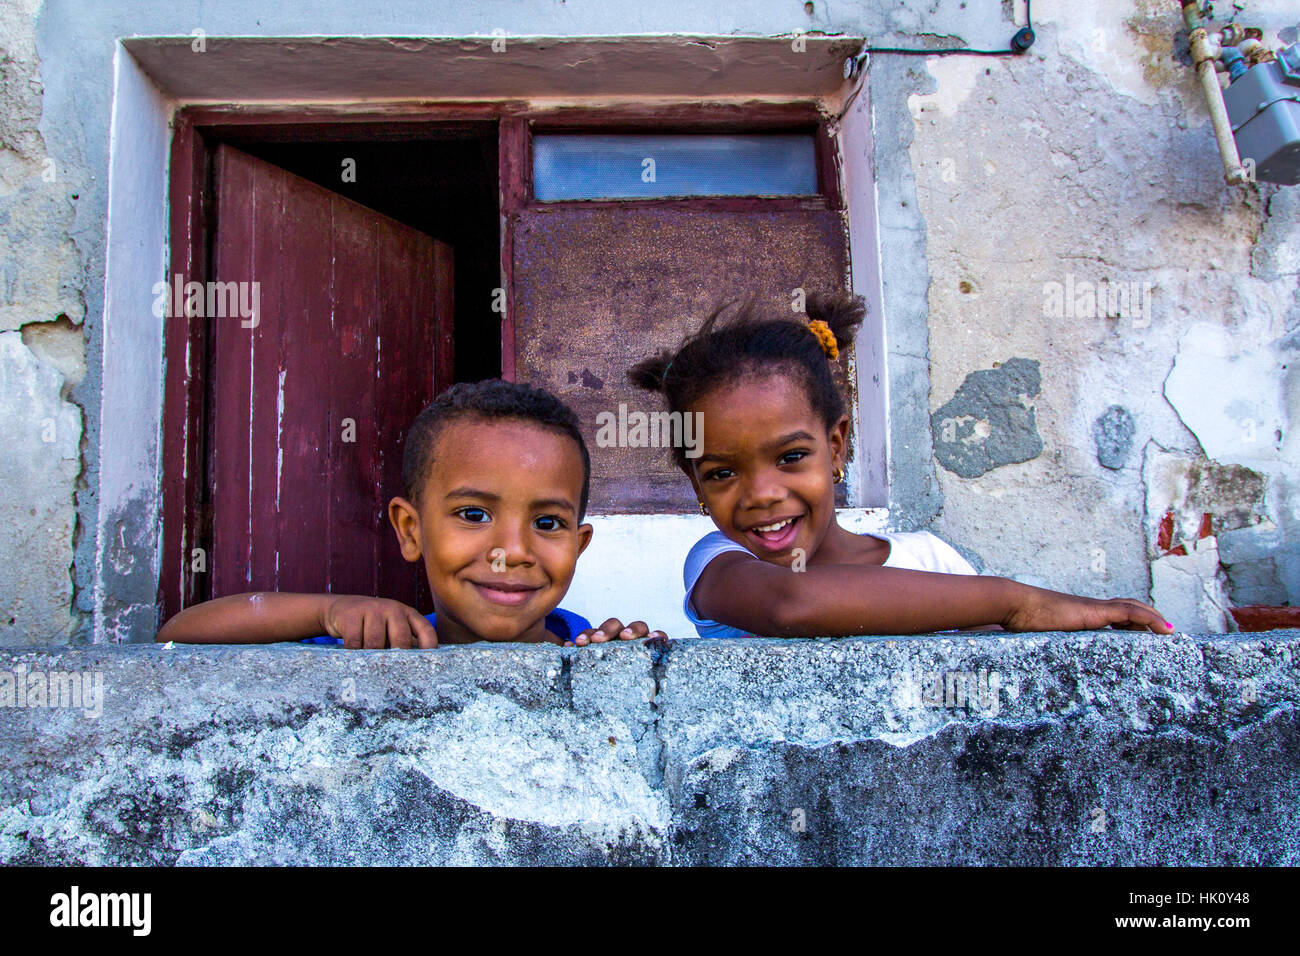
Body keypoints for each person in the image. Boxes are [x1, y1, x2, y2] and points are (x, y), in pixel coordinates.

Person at [627, 291, 1175, 639]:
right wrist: (1017, 600)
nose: (763, 494)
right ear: (694, 481)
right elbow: (794, 604)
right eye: (722, 472)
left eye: (792, 457)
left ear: (837, 447)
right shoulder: (719, 563)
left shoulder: (929, 558)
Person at [157, 380, 665, 648]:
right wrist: (327, 613)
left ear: (579, 545)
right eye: (473, 513)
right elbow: (179, 634)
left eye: (548, 523)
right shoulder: (386, 641)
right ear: (410, 529)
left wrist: (629, 661)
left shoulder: (588, 649)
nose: (512, 552)